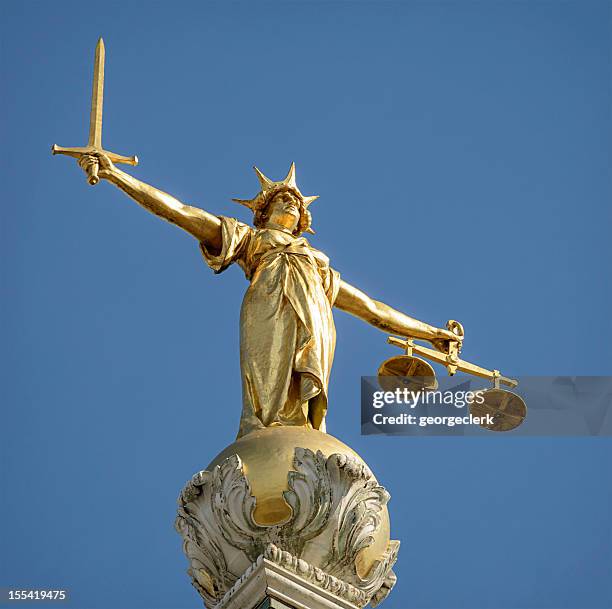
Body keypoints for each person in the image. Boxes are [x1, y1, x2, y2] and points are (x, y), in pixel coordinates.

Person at [78, 155, 461, 438]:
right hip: (268, 312)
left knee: (304, 403)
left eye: (296, 204)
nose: (291, 205)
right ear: (262, 213)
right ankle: (264, 431)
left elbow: (373, 310)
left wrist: (431, 334)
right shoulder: (251, 241)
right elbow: (181, 212)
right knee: (268, 397)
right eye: (282, 201)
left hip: (316, 325)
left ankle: (304, 433)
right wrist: (116, 175)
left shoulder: (318, 265)